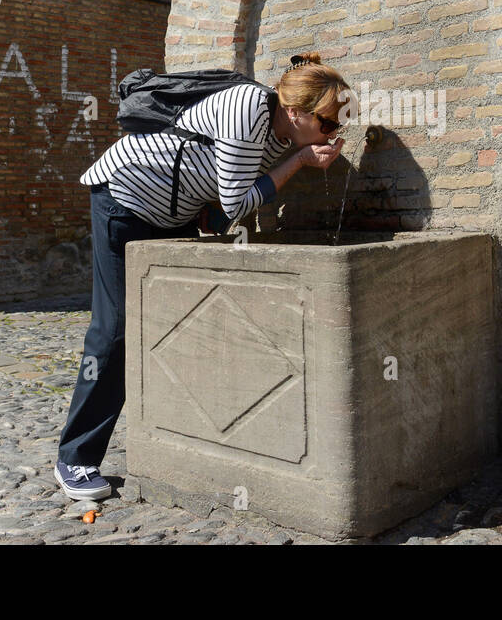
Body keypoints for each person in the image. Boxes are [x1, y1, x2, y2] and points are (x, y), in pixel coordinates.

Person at [54, 52, 349, 501]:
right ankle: (76, 457)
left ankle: (184, 437)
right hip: (125, 200)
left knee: (182, 322)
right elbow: (237, 204)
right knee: (114, 330)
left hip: (174, 214)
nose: (335, 131)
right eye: (328, 122)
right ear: (295, 112)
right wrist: (300, 163)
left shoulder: (279, 131)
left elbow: (225, 190)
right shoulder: (251, 109)